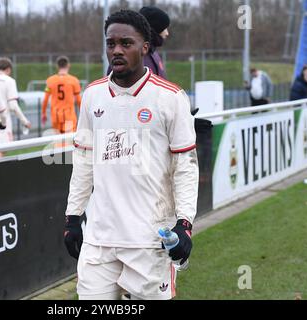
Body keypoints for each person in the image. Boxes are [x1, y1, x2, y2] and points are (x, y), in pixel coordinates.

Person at [64, 10, 199, 300]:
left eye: (126, 43)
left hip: (150, 239)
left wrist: (185, 223)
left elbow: (185, 167)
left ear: (145, 47)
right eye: (111, 43)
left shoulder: (170, 97)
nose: (117, 50)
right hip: (99, 239)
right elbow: (84, 161)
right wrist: (73, 217)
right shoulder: (92, 95)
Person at [107, 6, 170, 79]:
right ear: (155, 28)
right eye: (164, 28)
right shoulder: (124, 60)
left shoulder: (153, 54)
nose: (167, 33)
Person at [0, 57, 31, 143]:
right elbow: (13, 106)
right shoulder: (9, 81)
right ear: (8, 69)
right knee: (2, 150)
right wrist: (25, 121)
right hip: (2, 123)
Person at [41, 56, 82, 134]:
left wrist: (43, 113)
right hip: (69, 116)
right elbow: (79, 100)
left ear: (57, 66)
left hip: (56, 116)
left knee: (58, 143)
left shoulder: (50, 80)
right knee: (69, 142)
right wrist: (83, 114)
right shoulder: (74, 80)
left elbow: (45, 99)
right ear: (68, 65)